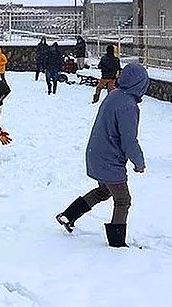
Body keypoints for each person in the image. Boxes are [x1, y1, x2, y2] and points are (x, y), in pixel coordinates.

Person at [55, 63, 149, 248]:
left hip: (96, 153)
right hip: (109, 159)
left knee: (104, 190)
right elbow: (129, 140)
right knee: (123, 200)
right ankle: (117, 244)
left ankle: (68, 215)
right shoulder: (128, 105)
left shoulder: (114, 95)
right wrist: (139, 163)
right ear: (140, 83)